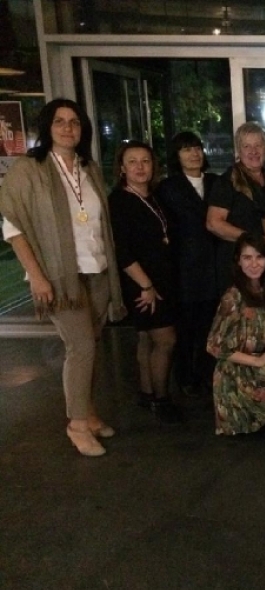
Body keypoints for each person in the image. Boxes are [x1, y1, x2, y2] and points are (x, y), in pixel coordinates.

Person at [0, 98, 126, 457]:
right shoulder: (30, 169)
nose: (68, 128)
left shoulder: (88, 168)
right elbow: (13, 228)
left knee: (91, 346)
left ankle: (89, 412)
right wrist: (37, 277)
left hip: (97, 270)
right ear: (47, 127)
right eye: (60, 121)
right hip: (58, 277)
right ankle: (77, 425)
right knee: (80, 347)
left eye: (74, 122)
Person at [109, 141, 182, 423]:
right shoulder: (119, 201)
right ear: (122, 168)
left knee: (146, 338)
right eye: (132, 162)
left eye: (145, 161)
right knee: (165, 340)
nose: (140, 167)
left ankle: (146, 393)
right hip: (142, 282)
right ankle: (161, 400)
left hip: (161, 279)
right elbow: (122, 251)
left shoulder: (153, 196)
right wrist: (146, 286)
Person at [206, 233, 265, 435]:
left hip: (256, 360)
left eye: (259, 257)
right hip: (235, 372)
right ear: (238, 261)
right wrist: (257, 361)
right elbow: (214, 346)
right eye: (247, 257)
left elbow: (263, 331)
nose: (254, 264)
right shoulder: (233, 296)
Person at [156, 131, 220, 397]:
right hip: (184, 269)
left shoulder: (215, 182)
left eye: (197, 148)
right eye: (186, 149)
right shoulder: (168, 188)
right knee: (186, 329)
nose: (194, 154)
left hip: (214, 266)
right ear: (177, 156)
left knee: (210, 327)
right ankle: (185, 377)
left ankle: (207, 375)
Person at [207, 122, 265, 295]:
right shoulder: (227, 181)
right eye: (246, 146)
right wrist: (252, 240)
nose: (253, 151)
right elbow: (213, 223)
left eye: (258, 145)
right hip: (239, 264)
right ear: (239, 150)